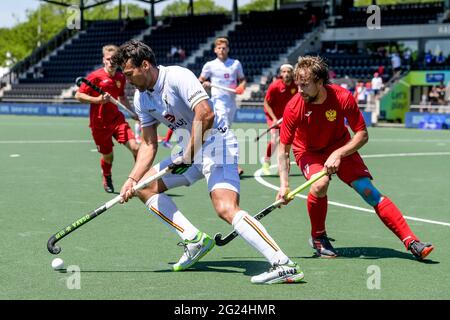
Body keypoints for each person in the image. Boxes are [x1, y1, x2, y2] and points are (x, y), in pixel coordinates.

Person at [113, 40, 304, 284]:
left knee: (225, 208)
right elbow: (149, 144)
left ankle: (283, 264)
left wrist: (190, 153)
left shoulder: (177, 77)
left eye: (130, 73)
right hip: (190, 150)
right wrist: (131, 179)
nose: (127, 80)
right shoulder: (141, 99)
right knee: (144, 186)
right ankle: (194, 240)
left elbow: (206, 114)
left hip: (217, 145)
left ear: (145, 65)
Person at [276, 55, 434, 261]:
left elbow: (362, 134)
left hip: (340, 146)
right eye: (298, 85)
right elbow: (283, 151)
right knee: (320, 184)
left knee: (369, 192)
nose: (300, 90)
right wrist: (283, 185)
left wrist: (338, 153)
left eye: (305, 85)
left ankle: (412, 241)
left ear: (320, 82)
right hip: (308, 150)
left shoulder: (342, 97)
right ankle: (318, 237)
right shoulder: (294, 107)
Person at [75, 44, 139, 193]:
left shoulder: (120, 77)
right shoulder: (95, 77)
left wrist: (132, 112)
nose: (112, 62)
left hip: (117, 120)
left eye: (114, 59)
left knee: (136, 148)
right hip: (99, 124)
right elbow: (78, 96)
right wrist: (98, 100)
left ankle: (138, 180)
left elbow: (122, 96)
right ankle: (107, 176)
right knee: (109, 156)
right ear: (104, 60)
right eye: (109, 59)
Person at [198, 37, 246, 177]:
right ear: (215, 50)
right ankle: (232, 164)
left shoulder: (235, 64)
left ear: (228, 49)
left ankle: (216, 157)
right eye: (219, 48)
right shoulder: (209, 65)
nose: (221, 50)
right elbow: (199, 81)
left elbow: (242, 80)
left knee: (226, 130)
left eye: (224, 48)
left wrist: (241, 87)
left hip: (231, 102)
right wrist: (205, 84)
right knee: (224, 130)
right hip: (218, 102)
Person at [261, 64, 298, 175]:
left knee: (286, 142)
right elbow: (266, 103)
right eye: (284, 72)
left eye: (288, 71)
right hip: (274, 117)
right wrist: (274, 119)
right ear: (280, 73)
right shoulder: (275, 86)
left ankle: (282, 166)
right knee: (275, 140)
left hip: (288, 118)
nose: (286, 74)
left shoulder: (296, 86)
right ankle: (266, 162)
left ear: (292, 73)